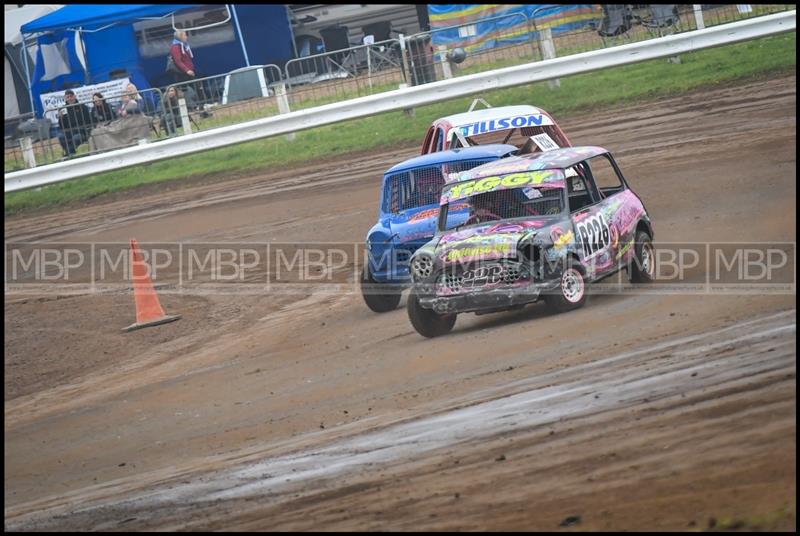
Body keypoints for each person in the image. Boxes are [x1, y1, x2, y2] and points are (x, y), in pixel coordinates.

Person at [170, 29, 205, 113]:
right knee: (183, 92)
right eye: (185, 35)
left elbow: (187, 58)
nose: (186, 37)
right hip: (181, 73)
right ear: (180, 36)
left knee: (198, 88)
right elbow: (178, 61)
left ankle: (201, 108)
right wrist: (187, 70)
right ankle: (185, 110)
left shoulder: (184, 45)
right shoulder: (175, 47)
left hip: (188, 72)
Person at [57, 89, 92, 157]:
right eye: (68, 97)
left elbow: (88, 120)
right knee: (60, 136)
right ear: (65, 98)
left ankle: (69, 154)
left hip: (81, 131)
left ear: (74, 96)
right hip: (68, 132)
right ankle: (70, 153)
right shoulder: (63, 109)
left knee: (76, 137)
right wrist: (61, 118)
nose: (70, 98)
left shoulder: (82, 106)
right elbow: (62, 126)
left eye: (71, 96)